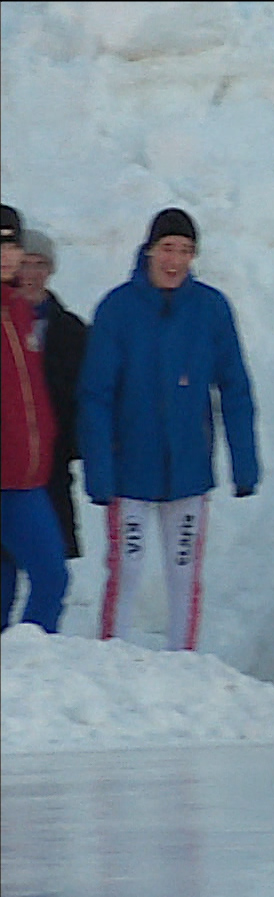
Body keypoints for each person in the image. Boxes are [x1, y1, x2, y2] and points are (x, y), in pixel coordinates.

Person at [79, 207, 258, 651]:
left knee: (184, 572)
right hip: (130, 469)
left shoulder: (211, 308)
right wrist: (100, 471)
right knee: (129, 569)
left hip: (189, 470)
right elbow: (95, 395)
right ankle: (111, 661)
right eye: (167, 249)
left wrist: (245, 463)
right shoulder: (118, 308)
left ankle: (185, 662)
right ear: (149, 250)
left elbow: (234, 387)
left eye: (185, 251)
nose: (175, 260)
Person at [2, 205, 69, 632]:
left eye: (12, 244)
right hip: (8, 479)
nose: (7, 254)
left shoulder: (20, 309)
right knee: (51, 577)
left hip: (28, 473)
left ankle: (17, 684)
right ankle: (33, 666)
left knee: (7, 583)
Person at [13, 229, 88, 561]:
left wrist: (71, 446)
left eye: (40, 264)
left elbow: (85, 397)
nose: (31, 274)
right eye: (25, 264)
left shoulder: (72, 330)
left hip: (53, 469)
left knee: (52, 570)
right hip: (8, 468)